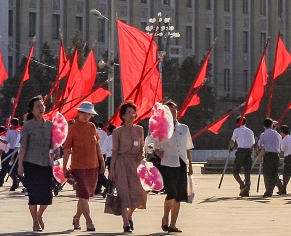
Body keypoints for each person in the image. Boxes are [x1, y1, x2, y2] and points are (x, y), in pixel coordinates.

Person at [62, 101, 104, 232]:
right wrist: (64, 167)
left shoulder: (92, 126)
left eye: (88, 114)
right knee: (83, 194)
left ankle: (76, 217)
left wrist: (102, 161)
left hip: (93, 166)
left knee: (84, 196)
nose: (85, 116)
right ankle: (89, 221)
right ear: (78, 113)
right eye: (83, 113)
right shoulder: (72, 128)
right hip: (78, 167)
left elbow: (97, 145)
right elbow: (67, 149)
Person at [154, 100, 194, 233]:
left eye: (174, 111)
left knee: (179, 196)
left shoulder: (184, 128)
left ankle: (173, 224)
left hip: (181, 163)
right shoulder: (161, 128)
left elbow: (188, 148)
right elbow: (153, 145)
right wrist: (157, 151)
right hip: (167, 163)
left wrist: (190, 165)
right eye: (169, 111)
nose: (173, 113)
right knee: (171, 193)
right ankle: (165, 217)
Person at [17, 96, 55, 232]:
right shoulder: (27, 126)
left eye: (42, 105)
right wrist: (20, 165)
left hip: (46, 164)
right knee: (33, 195)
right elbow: (23, 146)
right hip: (31, 164)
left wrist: (56, 151)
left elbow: (54, 144)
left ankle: (39, 216)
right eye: (38, 106)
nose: (41, 108)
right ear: (32, 110)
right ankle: (35, 222)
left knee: (46, 197)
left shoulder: (50, 125)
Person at [110, 101, 147, 233]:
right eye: (129, 113)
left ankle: (129, 215)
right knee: (123, 193)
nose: (132, 115)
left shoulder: (139, 129)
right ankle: (125, 222)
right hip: (121, 163)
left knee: (138, 194)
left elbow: (142, 147)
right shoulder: (117, 132)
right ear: (123, 116)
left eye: (133, 112)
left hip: (135, 164)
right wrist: (112, 169)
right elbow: (114, 152)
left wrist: (141, 156)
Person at [228, 116, 255, 197]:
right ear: (245, 122)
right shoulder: (250, 131)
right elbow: (253, 143)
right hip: (248, 152)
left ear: (238, 123)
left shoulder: (236, 130)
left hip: (241, 152)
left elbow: (232, 141)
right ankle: (247, 188)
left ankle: (242, 185)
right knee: (247, 172)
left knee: (235, 171)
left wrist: (230, 148)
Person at [256, 118, 280, 198]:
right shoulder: (277, 134)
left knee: (267, 174)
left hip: (268, 155)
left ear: (264, 126)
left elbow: (259, 145)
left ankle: (269, 190)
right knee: (274, 173)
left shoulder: (263, 135)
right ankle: (272, 189)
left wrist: (260, 153)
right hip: (276, 155)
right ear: (271, 125)